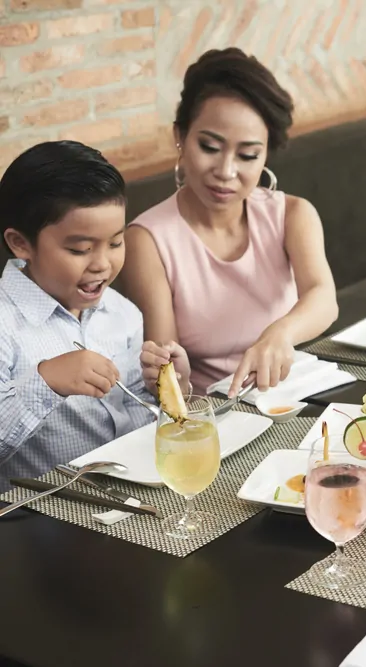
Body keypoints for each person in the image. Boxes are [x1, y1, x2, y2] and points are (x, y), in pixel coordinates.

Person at [121, 48, 338, 399]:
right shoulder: (147, 240)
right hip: (215, 413)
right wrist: (176, 377)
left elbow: (324, 298)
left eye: (248, 155)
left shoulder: (293, 215)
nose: (225, 172)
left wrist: (280, 333)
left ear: (266, 153)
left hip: (296, 395)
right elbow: (167, 376)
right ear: (180, 136)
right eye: (209, 146)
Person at [0, 141, 192, 492]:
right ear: (20, 243)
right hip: (45, 519)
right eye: (81, 249)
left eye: (116, 243)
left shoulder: (121, 312)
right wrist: (45, 381)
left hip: (135, 497)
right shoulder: (5, 324)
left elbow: (143, 420)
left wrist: (165, 388)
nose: (103, 264)